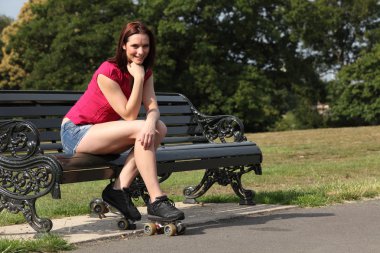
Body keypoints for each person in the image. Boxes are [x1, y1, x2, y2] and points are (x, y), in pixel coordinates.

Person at [60, 21, 184, 223]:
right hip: (77, 133)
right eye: (135, 46)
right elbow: (129, 115)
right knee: (144, 127)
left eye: (145, 46)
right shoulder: (108, 71)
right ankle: (157, 199)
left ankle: (118, 189)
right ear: (124, 45)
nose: (140, 51)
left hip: (103, 135)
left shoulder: (144, 71)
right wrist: (138, 79)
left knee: (159, 128)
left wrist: (152, 121)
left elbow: (153, 108)